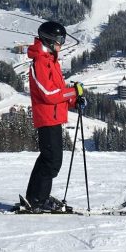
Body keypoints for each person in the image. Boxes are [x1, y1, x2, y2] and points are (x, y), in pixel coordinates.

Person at [24, 20, 86, 212]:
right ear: (49, 39)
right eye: (60, 39)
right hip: (46, 116)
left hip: (55, 116)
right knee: (51, 161)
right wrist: (73, 93)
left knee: (49, 159)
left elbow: (58, 91)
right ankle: (37, 200)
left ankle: (36, 197)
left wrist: (74, 101)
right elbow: (48, 94)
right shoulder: (40, 63)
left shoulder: (51, 60)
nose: (62, 43)